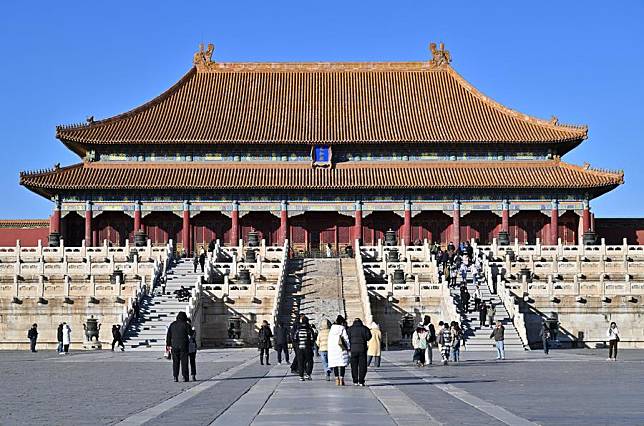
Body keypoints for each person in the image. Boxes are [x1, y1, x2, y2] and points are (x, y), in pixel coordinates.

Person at [166, 311, 192, 382]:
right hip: (184, 345)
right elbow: (191, 333)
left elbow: (168, 336)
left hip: (174, 345)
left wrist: (168, 345)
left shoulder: (172, 324)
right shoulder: (186, 324)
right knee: (184, 362)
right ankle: (185, 377)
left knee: (175, 362)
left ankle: (175, 377)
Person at [347, 318, 371, 386]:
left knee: (354, 366)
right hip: (362, 349)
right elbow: (369, 337)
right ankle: (361, 381)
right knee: (362, 366)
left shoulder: (350, 329)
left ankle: (355, 381)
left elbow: (347, 337)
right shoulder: (364, 328)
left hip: (353, 349)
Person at [327, 315, 350, 386]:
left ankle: (337, 379)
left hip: (333, 348)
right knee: (342, 364)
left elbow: (329, 340)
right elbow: (346, 339)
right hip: (341, 348)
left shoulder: (331, 329)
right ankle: (341, 379)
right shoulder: (342, 328)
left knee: (335, 364)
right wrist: (348, 347)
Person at [294, 316, 314, 381]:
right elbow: (312, 339)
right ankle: (308, 374)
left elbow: (295, 338)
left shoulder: (298, 329)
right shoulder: (309, 330)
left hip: (299, 348)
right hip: (307, 348)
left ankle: (301, 376)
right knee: (310, 361)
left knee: (300, 362)